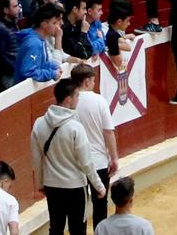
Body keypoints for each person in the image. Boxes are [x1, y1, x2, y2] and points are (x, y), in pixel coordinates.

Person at [30, 77, 104, 235]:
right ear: (68, 100)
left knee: (56, 228)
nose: (78, 99)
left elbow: (37, 159)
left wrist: (41, 183)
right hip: (74, 187)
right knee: (78, 230)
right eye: (77, 96)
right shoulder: (75, 128)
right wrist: (99, 186)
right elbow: (87, 163)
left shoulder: (38, 124)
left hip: (51, 185)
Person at [67, 67, 118, 231]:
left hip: (76, 165)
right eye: (93, 80)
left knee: (78, 209)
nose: (94, 83)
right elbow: (108, 132)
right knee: (100, 206)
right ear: (87, 81)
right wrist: (114, 158)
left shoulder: (68, 102)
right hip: (99, 162)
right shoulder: (99, 100)